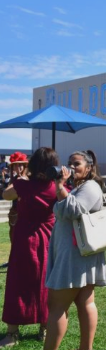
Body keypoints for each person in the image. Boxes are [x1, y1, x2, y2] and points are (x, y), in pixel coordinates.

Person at [44, 150, 106, 350]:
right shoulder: (80, 187)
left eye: (77, 164)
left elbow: (73, 210)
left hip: (75, 257)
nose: (71, 167)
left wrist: (59, 186)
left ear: (89, 168)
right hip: (79, 255)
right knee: (84, 302)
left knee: (57, 306)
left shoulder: (90, 187)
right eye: (69, 163)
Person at [0, 148, 59, 347]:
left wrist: (21, 176)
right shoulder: (56, 186)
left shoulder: (23, 185)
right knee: (45, 282)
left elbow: (7, 195)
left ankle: (12, 332)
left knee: (18, 282)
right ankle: (44, 328)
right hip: (49, 239)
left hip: (25, 238)